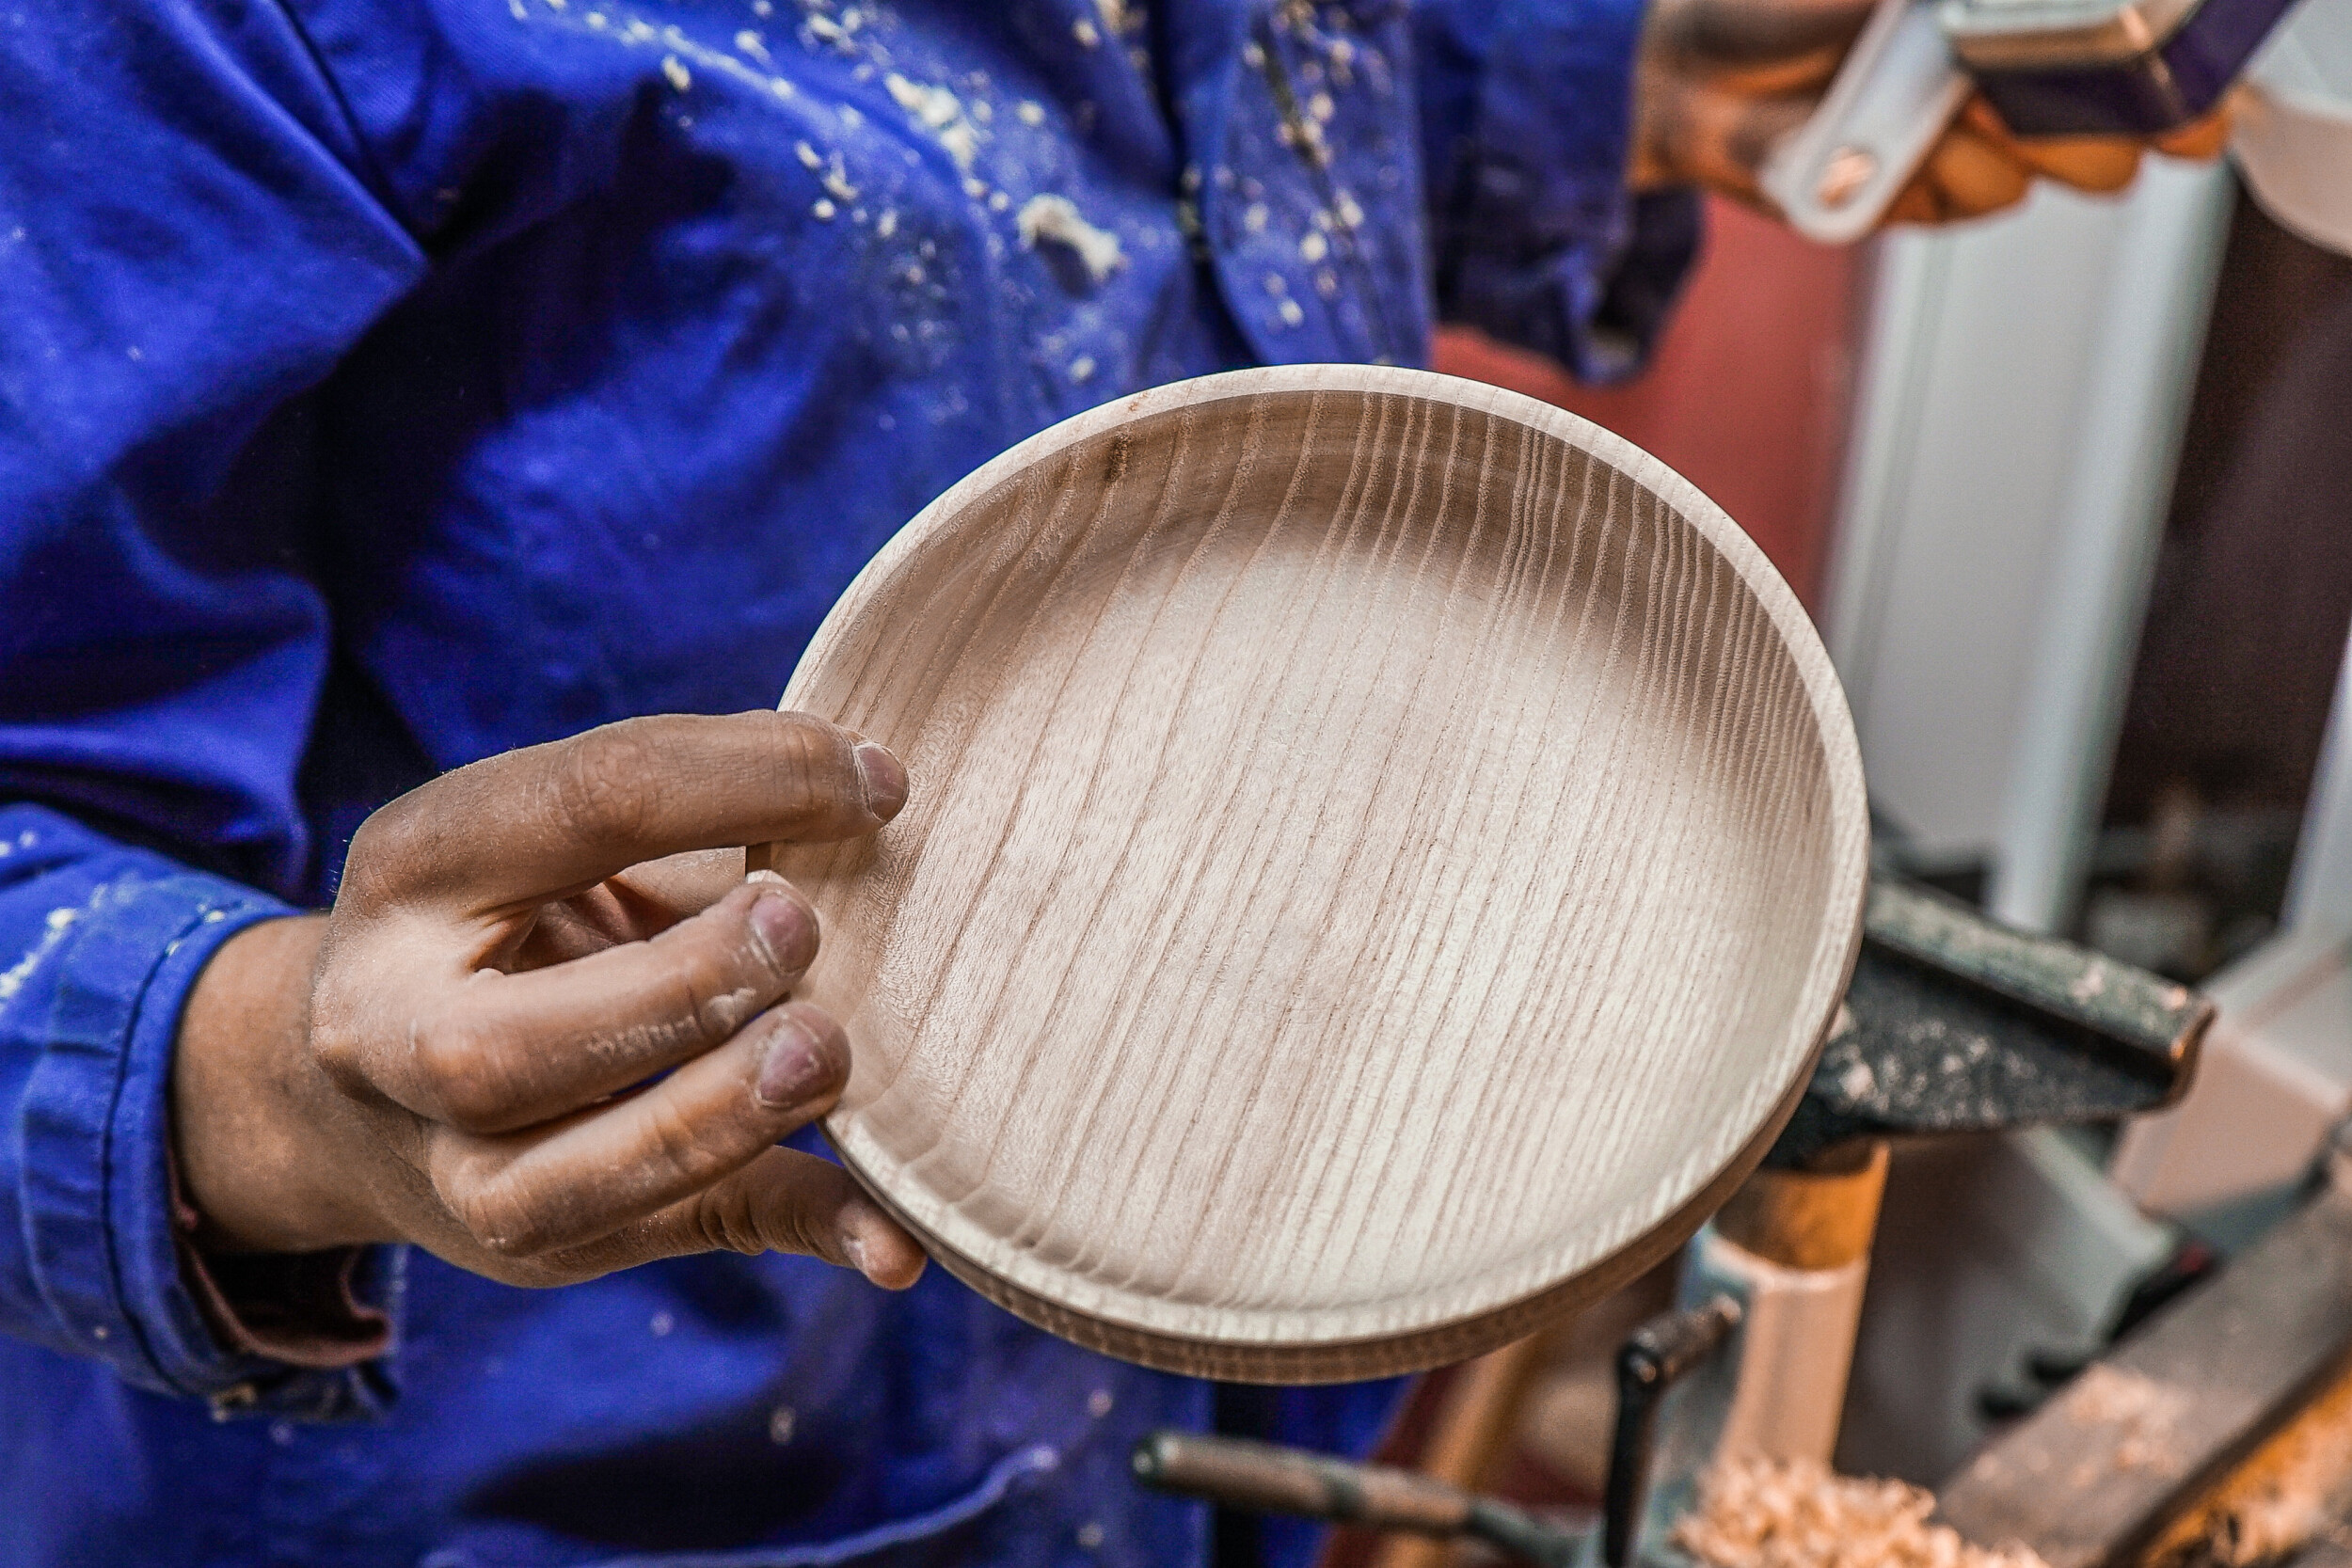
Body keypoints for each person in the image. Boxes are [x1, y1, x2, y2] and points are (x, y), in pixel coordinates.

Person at [0, 2, 2211, 1563]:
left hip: (1239, 1332)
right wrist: (280, 1079)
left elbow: (1184, 119)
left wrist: (1608, 64)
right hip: (588, 1475)